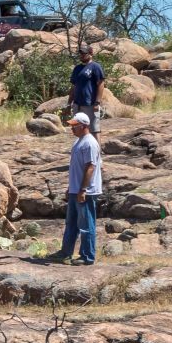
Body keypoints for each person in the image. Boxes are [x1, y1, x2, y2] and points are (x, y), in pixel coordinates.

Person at [55, 112, 103, 265]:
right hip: (75, 189)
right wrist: (71, 187)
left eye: (75, 126)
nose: (72, 128)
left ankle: (87, 256)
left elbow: (90, 167)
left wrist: (83, 189)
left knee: (86, 225)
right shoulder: (78, 142)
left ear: (83, 126)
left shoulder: (89, 143)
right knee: (71, 223)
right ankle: (65, 252)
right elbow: (77, 168)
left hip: (86, 191)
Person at [69, 43, 106, 133]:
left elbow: (101, 84)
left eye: (84, 53)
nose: (81, 55)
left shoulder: (95, 66)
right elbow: (73, 86)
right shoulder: (77, 68)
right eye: (80, 53)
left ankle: (96, 143)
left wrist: (97, 102)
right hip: (77, 104)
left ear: (91, 54)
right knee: (77, 129)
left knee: (94, 130)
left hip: (90, 104)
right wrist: (69, 102)